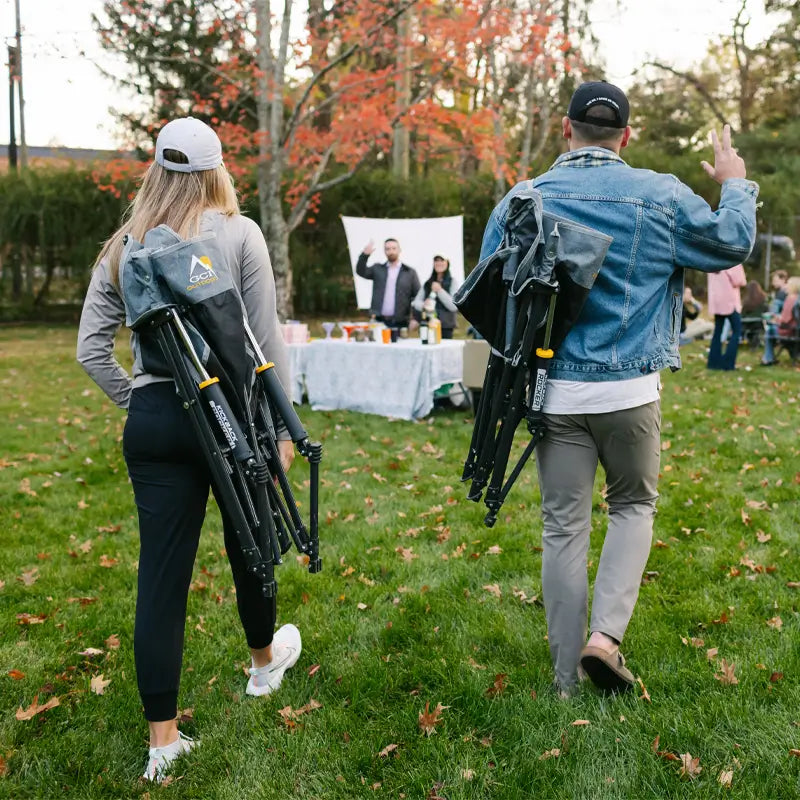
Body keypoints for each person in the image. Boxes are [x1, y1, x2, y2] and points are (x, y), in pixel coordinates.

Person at [480, 81, 758, 697]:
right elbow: (732, 241)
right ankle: (604, 639)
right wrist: (735, 180)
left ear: (565, 129)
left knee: (563, 529)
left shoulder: (523, 199)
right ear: (625, 136)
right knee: (633, 507)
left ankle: (563, 681)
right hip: (631, 392)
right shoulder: (659, 194)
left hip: (555, 394)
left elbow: (490, 292)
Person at [77, 117, 302, 782]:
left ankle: (162, 742)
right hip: (230, 415)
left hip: (154, 416)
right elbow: (265, 343)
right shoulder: (239, 234)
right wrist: (284, 428)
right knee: (250, 544)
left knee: (161, 576)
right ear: (216, 171)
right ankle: (263, 667)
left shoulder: (124, 244)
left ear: (155, 170)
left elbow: (91, 350)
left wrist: (138, 400)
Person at [356, 237, 421, 329]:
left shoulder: (409, 272)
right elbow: (361, 271)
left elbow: (418, 297)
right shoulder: (377, 269)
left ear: (399, 250)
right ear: (384, 251)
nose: (391, 251)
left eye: (394, 248)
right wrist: (364, 255)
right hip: (378, 320)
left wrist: (416, 318)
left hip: (400, 322)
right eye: (388, 249)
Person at [706, 263, 747, 370]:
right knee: (736, 331)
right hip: (730, 301)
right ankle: (728, 363)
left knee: (717, 331)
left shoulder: (712, 260)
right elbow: (740, 280)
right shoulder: (732, 260)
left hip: (717, 301)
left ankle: (713, 363)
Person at [412, 255, 461, 339]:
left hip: (445, 327)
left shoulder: (452, 282)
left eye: (442, 260)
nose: (439, 263)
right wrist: (423, 305)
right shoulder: (428, 283)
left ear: (447, 263)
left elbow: (454, 306)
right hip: (427, 324)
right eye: (436, 261)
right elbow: (416, 302)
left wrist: (440, 291)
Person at [762, 269, 789, 365]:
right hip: (789, 325)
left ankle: (768, 359)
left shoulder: (782, 293)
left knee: (769, 330)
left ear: (783, 279)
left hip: (786, 326)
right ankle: (768, 358)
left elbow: (774, 312)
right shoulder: (788, 292)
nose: (773, 283)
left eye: (775, 280)